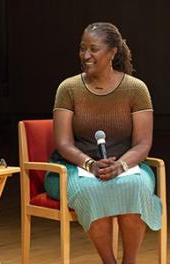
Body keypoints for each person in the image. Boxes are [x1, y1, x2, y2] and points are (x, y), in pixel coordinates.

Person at [44, 22, 162, 264]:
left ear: (112, 53)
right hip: (74, 168)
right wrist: (90, 165)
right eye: (82, 48)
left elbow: (142, 143)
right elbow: (64, 144)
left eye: (93, 49)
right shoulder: (68, 88)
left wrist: (120, 166)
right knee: (92, 190)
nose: (85, 55)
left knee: (136, 188)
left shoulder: (136, 89)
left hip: (128, 166)